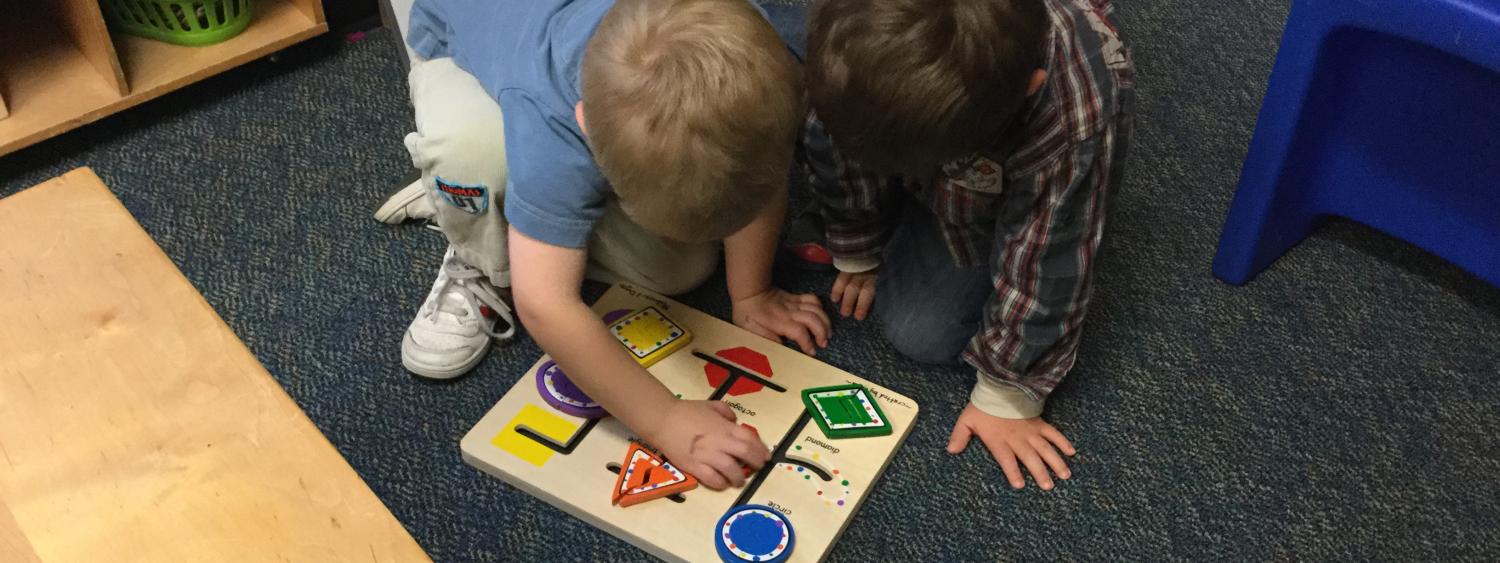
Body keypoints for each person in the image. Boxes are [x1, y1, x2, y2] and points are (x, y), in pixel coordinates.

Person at [392, 0, 831, 489]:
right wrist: (664, 420)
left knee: (679, 271)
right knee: (470, 150)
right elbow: (544, 306)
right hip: (459, 53)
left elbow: (758, 167)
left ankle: (545, 220)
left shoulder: (757, 42)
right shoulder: (549, 120)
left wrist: (751, 291)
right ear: (585, 125)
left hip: (581, 64)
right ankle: (479, 225)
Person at [801, 0, 1134, 490]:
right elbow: (831, 135)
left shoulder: (1071, 113)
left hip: (1007, 173)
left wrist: (1006, 395)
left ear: (1027, 92)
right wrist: (856, 244)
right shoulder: (852, 42)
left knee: (921, 331)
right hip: (932, 121)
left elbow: (1050, 261)